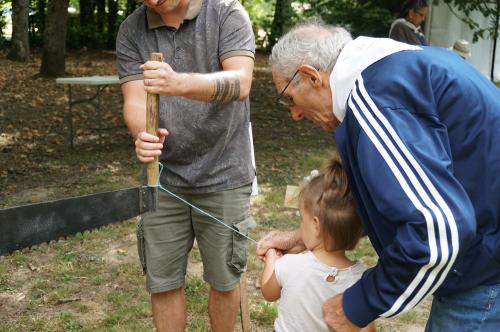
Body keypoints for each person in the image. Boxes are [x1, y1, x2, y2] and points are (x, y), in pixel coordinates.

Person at [258, 21, 500, 332]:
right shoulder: (393, 65)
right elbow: (406, 189)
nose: (295, 114)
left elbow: (436, 231)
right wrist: (307, 234)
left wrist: (358, 304)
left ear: (311, 76)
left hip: (485, 277)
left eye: (289, 98)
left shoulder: (376, 97)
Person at [116, 0, 256, 331]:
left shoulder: (226, 12)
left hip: (224, 173)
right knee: (162, 281)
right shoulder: (132, 29)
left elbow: (241, 82)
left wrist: (179, 83)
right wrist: (142, 133)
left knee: (224, 279)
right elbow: (134, 100)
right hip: (162, 178)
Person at [260, 156, 375, 332]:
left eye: (302, 218)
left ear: (315, 225)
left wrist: (271, 257)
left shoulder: (290, 265)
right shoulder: (362, 279)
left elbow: (268, 292)